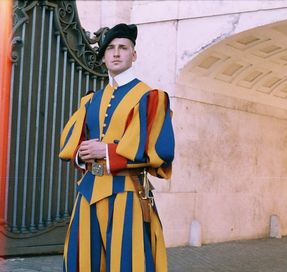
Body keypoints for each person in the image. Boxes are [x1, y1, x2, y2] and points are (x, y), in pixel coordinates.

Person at [59, 23, 175, 272]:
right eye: (110, 48)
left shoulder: (150, 97)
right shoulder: (90, 100)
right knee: (83, 260)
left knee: (127, 261)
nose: (116, 53)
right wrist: (82, 153)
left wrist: (107, 151)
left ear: (134, 55)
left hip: (127, 191)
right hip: (89, 191)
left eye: (123, 47)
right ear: (103, 57)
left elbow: (159, 150)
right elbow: (73, 143)